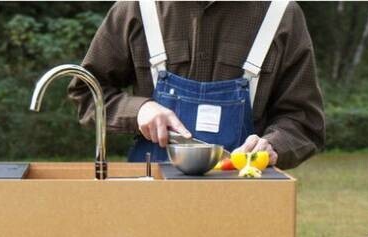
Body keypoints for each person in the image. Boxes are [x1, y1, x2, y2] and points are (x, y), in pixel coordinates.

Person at [68, 1, 325, 169]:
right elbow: (88, 92)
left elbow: (303, 121)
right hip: (151, 196)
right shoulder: (137, 8)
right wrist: (139, 111)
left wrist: (273, 145)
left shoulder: (280, 15)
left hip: (244, 199)